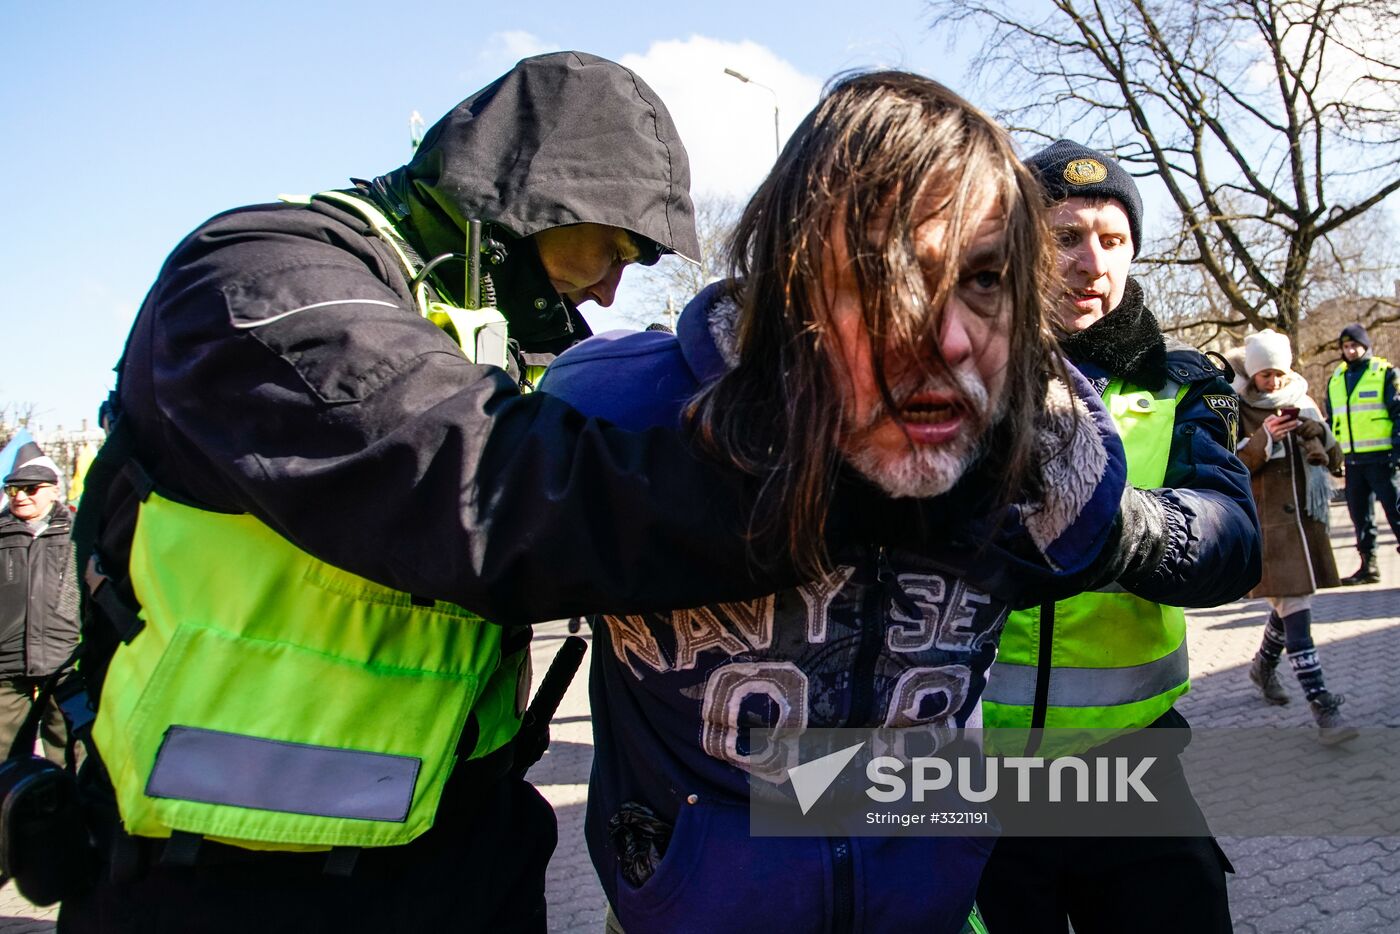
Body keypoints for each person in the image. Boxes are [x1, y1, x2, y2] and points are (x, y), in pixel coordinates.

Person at [59, 52, 977, 932]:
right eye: (611, 247)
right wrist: (865, 490)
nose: (614, 290)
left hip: (458, 847)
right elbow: (498, 487)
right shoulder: (261, 280)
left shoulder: (469, 330)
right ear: (530, 195)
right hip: (220, 881)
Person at [541, 74, 1168, 934]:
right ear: (796, 269)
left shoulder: (1047, 453)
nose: (946, 332)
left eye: (983, 279)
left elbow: (1096, 515)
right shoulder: (620, 409)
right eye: (895, 272)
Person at [977, 140, 1261, 934]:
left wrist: (1115, 530)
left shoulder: (1185, 382)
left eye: (1113, 240)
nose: (1091, 263)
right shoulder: (954, 373)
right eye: (1065, 237)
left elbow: (1235, 544)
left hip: (1130, 765)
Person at [1233, 331, 1356, 744]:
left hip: (1306, 523)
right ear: (1253, 374)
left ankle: (1262, 667)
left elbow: (1336, 460)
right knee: (1297, 612)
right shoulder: (1237, 406)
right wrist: (1265, 437)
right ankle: (1324, 710)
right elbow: (1232, 467)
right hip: (1268, 527)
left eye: (1277, 373)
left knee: (1292, 602)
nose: (1271, 382)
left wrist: (1315, 435)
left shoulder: (1303, 400)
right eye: (1264, 374)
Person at [0, 441, 78, 765]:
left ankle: (74, 812)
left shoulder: (76, 531)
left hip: (65, 659)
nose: (20, 496)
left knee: (71, 747)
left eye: (30, 488)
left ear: (52, 490)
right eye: (12, 489)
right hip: (6, 660)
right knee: (5, 754)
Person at [1324, 323, 1400, 584]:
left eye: (1355, 345)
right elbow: (1333, 421)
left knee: (1396, 512)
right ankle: (1369, 566)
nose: (1351, 350)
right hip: (1353, 461)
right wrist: (1334, 457)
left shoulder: (1384, 373)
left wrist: (1397, 451)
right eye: (1346, 346)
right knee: (1360, 516)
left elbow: (1398, 414)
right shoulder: (1336, 379)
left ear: (1365, 346)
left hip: (1383, 458)